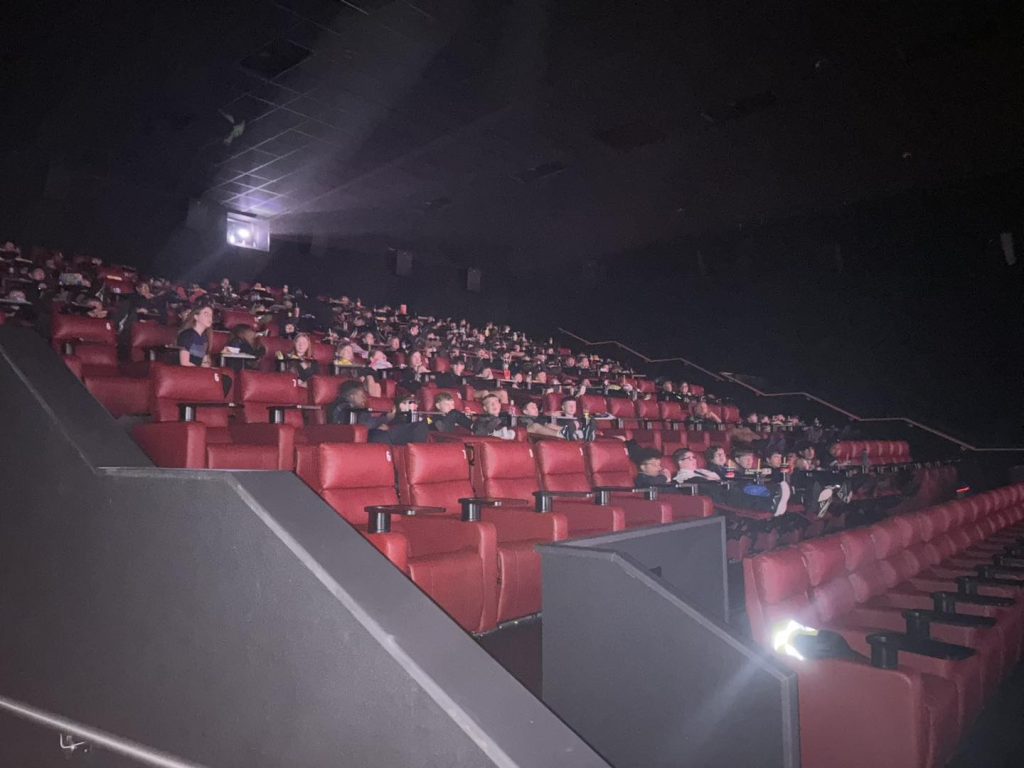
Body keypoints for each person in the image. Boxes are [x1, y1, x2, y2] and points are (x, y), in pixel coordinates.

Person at [327, 380, 428, 445]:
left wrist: (382, 423)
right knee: (418, 427)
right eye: (362, 395)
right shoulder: (343, 407)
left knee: (416, 428)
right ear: (352, 396)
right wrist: (386, 418)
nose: (365, 398)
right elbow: (365, 424)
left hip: (375, 434)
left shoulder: (354, 406)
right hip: (369, 438)